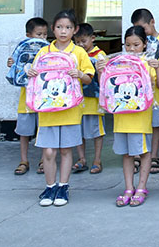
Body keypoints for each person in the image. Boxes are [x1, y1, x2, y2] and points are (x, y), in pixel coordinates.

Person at [28, 10, 95, 207]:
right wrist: (30, 72)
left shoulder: (79, 52)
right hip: (47, 110)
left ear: (75, 30)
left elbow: (89, 77)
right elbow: (35, 75)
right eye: (59, 27)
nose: (63, 31)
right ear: (53, 29)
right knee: (48, 152)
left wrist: (79, 74)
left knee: (66, 150)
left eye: (67, 27)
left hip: (70, 110)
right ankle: (50, 187)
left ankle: (63, 186)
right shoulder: (44, 52)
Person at [109, 26, 159, 207]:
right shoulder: (118, 63)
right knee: (126, 154)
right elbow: (108, 87)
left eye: (136, 45)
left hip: (141, 117)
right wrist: (102, 70)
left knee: (143, 152)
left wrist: (157, 68)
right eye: (128, 45)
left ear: (145, 44)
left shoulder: (147, 62)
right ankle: (128, 188)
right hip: (121, 116)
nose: (132, 49)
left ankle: (141, 187)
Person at [131, 8, 159, 175]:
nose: (141, 31)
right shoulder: (136, 42)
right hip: (138, 94)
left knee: (155, 126)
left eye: (143, 28)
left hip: (156, 91)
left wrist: (154, 63)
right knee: (138, 125)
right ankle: (136, 155)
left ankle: (154, 156)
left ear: (152, 22)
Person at [10, 17, 48, 176]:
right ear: (28, 35)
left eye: (45, 34)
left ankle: (44, 160)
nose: (42, 38)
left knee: (44, 129)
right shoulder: (21, 49)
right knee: (24, 132)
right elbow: (13, 69)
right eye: (39, 34)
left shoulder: (48, 50)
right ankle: (23, 160)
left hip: (44, 98)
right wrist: (12, 64)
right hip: (26, 99)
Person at [72, 23, 106, 175]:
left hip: (94, 101)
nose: (80, 44)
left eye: (83, 41)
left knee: (96, 132)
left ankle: (97, 160)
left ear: (93, 38)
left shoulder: (100, 55)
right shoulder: (74, 54)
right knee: (78, 131)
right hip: (77, 101)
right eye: (77, 41)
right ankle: (82, 159)